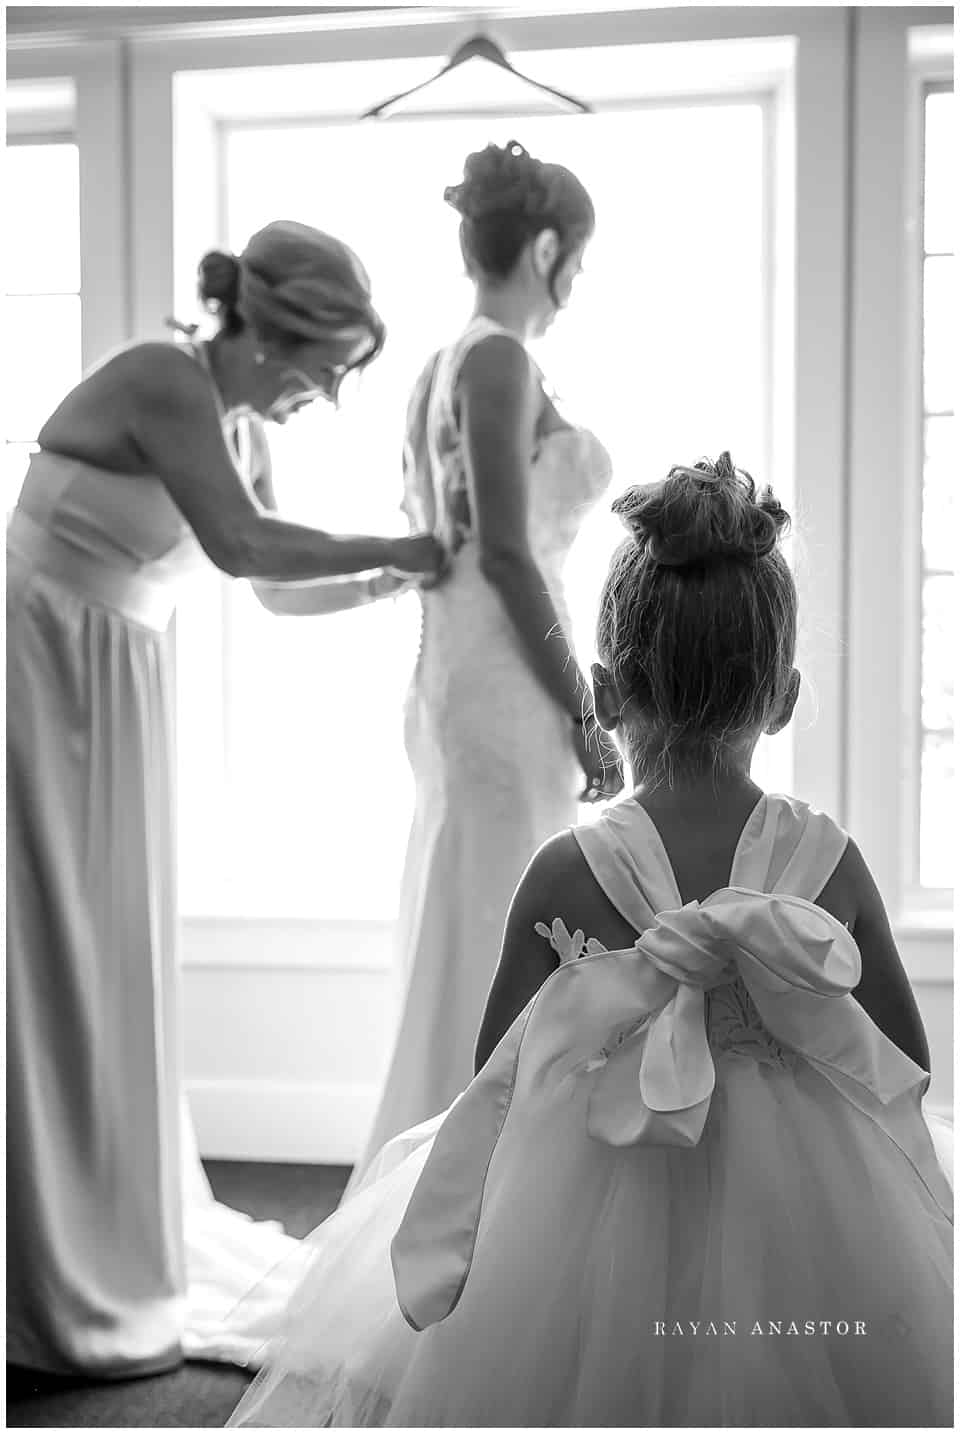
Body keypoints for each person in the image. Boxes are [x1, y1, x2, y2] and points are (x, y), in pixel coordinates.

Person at [227, 454, 953, 1428]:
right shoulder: (831, 861)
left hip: (591, 1192)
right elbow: (908, 1056)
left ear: (605, 693)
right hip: (808, 1222)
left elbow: (497, 1073)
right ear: (782, 697)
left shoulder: (566, 871)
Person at [5, 219, 443, 1378]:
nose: (328, 397)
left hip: (117, 679)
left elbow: (271, 595)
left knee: (113, 961)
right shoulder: (164, 378)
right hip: (38, 670)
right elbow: (244, 546)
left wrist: (384, 582)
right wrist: (399, 537)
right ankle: (49, 1261)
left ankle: (109, 1222)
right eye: (329, 370)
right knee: (50, 958)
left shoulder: (240, 424)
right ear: (279, 331)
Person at [348, 142, 624, 1187]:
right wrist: (583, 707)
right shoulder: (500, 358)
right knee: (506, 923)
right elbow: (506, 552)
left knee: (472, 920)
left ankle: (443, 1179)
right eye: (578, 263)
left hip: (452, 674)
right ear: (546, 247)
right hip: (504, 679)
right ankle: (479, 1186)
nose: (576, 286)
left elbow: (450, 548)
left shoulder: (438, 365)